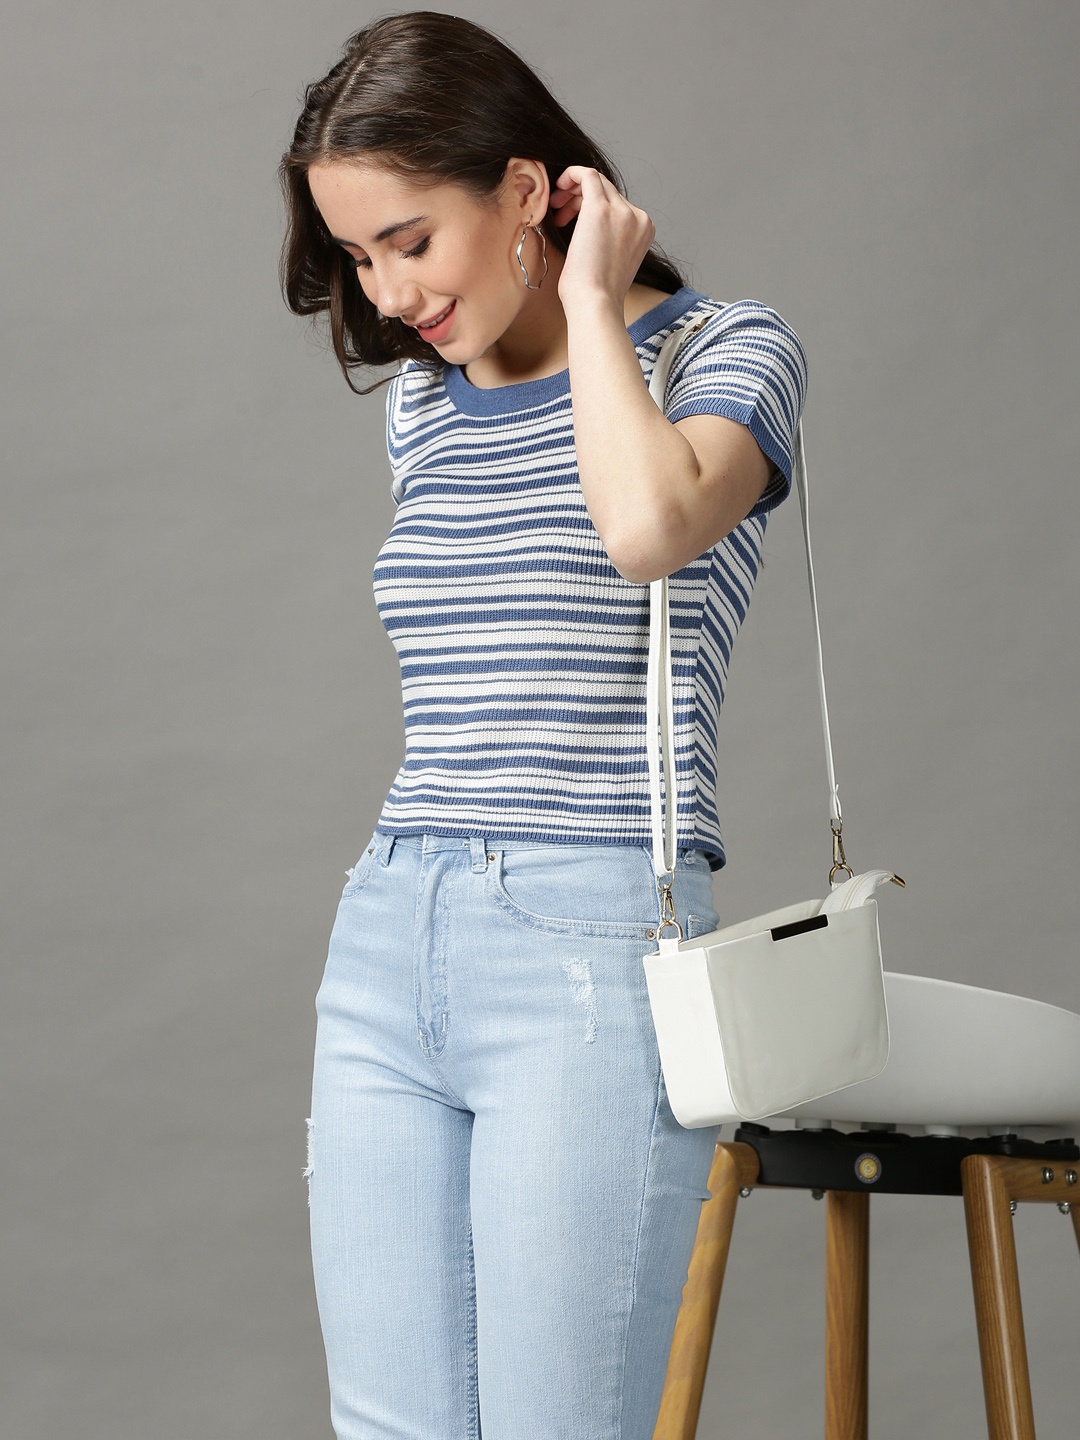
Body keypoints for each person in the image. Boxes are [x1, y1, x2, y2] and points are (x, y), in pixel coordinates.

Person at [279, 12, 806, 1438]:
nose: (389, 297)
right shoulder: (425, 414)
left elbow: (646, 529)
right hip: (391, 932)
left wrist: (589, 303)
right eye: (361, 258)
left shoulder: (730, 353)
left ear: (524, 190)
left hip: (588, 944)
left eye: (410, 241)